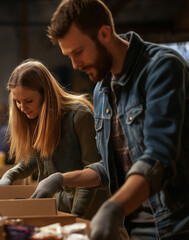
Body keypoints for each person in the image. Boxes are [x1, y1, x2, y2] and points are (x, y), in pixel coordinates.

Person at [34, 0, 189, 239]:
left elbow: (158, 157)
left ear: (104, 33)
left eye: (78, 52)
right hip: (135, 226)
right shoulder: (102, 90)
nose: (75, 65)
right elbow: (112, 165)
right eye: (69, 56)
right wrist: (61, 178)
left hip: (176, 224)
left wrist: (112, 207)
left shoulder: (162, 69)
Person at [0, 59, 109, 220]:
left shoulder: (79, 115)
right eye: (17, 102)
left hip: (91, 213)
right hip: (57, 207)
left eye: (28, 101)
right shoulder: (35, 117)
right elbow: (34, 159)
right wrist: (9, 176)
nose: (22, 108)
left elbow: (92, 170)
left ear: (46, 93)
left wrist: (77, 216)